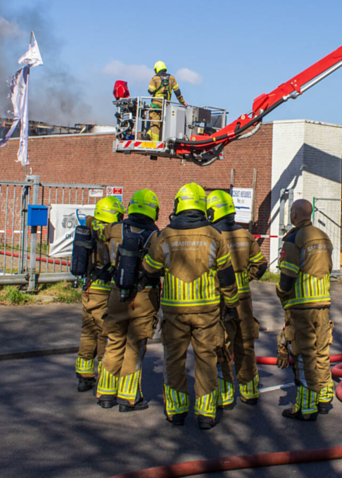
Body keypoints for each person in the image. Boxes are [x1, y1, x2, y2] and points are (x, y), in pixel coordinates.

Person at [143, 183, 239, 430]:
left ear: (178, 205)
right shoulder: (214, 235)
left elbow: (150, 269)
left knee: (173, 359)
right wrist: (231, 304)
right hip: (207, 311)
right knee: (206, 359)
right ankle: (206, 414)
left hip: (174, 311)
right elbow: (227, 276)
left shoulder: (165, 235)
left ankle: (176, 411)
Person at [96, 190, 161, 412]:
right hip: (143, 296)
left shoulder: (113, 229)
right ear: (154, 210)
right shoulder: (155, 236)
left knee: (114, 340)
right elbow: (159, 266)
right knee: (135, 345)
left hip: (115, 291)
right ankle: (128, 397)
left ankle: (105, 393)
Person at [207, 190, 267, 408]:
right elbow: (261, 265)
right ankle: (249, 392)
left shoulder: (212, 236)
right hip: (244, 300)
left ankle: (224, 395)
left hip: (221, 301)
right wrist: (246, 278)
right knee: (246, 344)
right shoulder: (245, 235)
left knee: (223, 346)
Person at [277, 199, 334, 420]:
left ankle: (307, 408)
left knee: (303, 356)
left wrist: (282, 294)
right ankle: (324, 398)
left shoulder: (294, 238)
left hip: (302, 307)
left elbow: (287, 276)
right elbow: (327, 267)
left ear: (294, 215)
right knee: (322, 352)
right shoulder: (324, 237)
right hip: (323, 303)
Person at [75, 196, 124, 393]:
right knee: (106, 333)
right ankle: (106, 377)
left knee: (88, 332)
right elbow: (116, 262)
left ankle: (84, 376)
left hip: (88, 288)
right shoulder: (108, 234)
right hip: (103, 291)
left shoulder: (89, 228)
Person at [146, 61, 186, 140]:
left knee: (155, 124)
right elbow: (177, 92)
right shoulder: (171, 78)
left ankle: (154, 141)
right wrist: (183, 102)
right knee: (164, 124)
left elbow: (150, 91)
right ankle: (150, 134)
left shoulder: (155, 78)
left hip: (155, 106)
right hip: (166, 106)